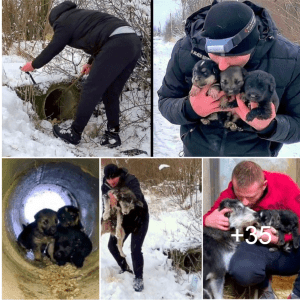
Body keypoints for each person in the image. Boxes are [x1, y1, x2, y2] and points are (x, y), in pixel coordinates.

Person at [157, 0, 300, 157]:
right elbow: (166, 101)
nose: (223, 65)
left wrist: (270, 127)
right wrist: (190, 109)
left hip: (254, 158)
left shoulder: (291, 60)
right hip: (196, 154)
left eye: (234, 55)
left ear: (253, 46)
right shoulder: (186, 49)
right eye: (215, 54)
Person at [21, 1, 141, 148]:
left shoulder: (62, 21)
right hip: (132, 42)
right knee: (111, 92)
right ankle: (112, 135)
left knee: (91, 88)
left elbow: (54, 47)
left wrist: (33, 64)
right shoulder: (80, 16)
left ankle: (74, 133)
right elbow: (102, 37)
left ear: (54, 20)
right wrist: (91, 62)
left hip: (116, 42)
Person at [204, 161, 300, 299]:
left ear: (264, 185)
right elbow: (210, 217)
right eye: (239, 195)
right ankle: (264, 289)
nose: (244, 203)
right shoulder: (229, 194)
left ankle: (296, 295)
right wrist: (206, 220)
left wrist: (281, 238)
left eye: (250, 197)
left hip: (292, 251)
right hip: (261, 250)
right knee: (241, 269)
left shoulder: (283, 183)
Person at [101, 164, 149, 292]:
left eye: (114, 179)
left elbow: (137, 199)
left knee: (135, 248)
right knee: (112, 245)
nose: (111, 182)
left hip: (140, 217)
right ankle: (125, 268)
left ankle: (138, 278)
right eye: (109, 180)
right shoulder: (105, 187)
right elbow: (106, 206)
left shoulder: (130, 180)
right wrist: (106, 220)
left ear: (119, 176)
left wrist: (119, 198)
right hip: (123, 220)